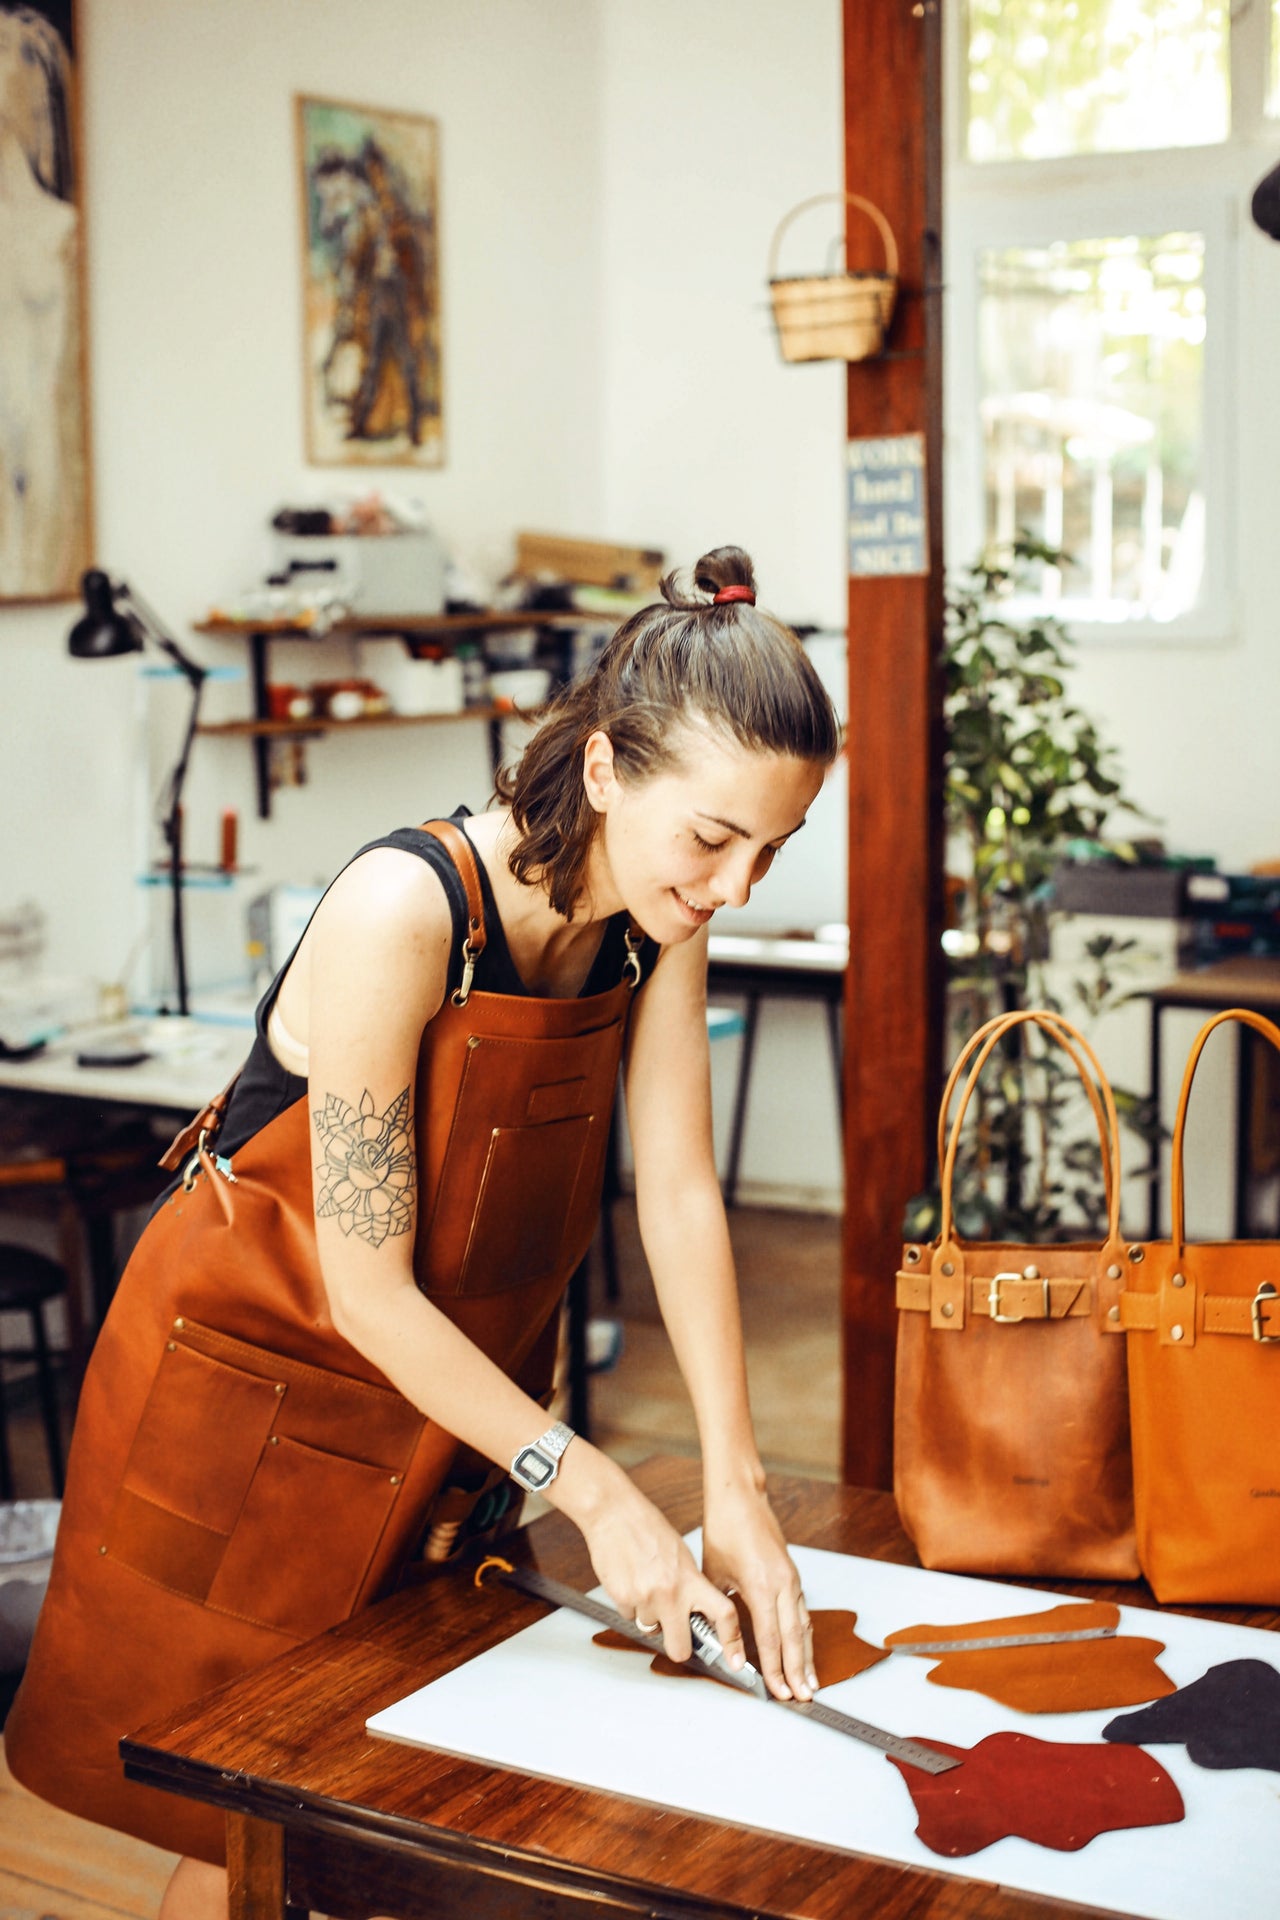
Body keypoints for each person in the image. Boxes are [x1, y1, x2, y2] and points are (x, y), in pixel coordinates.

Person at [5, 546, 842, 1920]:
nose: (740, 888)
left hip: (435, 1423)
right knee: (222, 1831)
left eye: (773, 848)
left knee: (371, 1822)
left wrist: (736, 1487)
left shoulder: (656, 918)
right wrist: (602, 1488)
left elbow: (682, 1188)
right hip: (239, 1410)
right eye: (715, 839)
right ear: (608, 773)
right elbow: (369, 1291)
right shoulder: (407, 911)